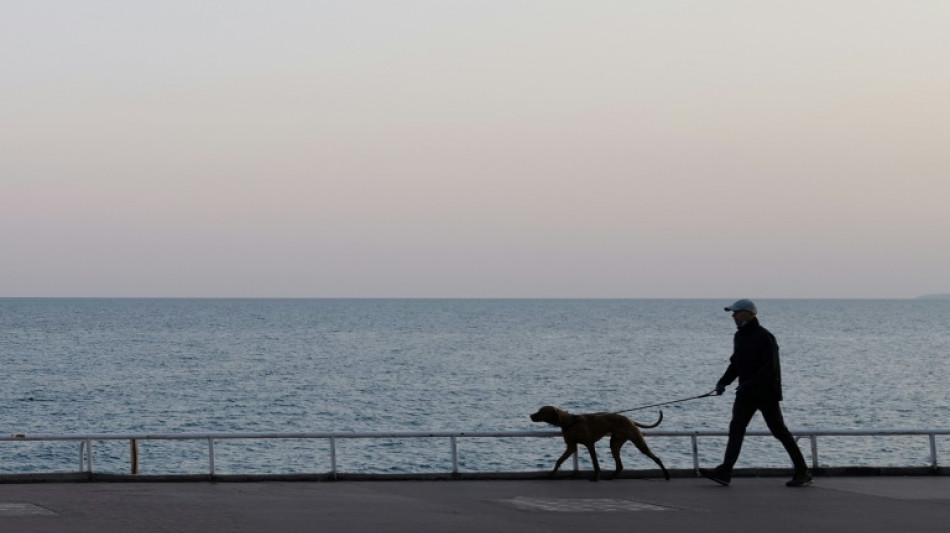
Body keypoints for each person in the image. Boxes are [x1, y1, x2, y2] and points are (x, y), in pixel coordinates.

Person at [700, 299, 812, 487]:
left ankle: (803, 472)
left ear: (748, 314)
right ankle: (725, 471)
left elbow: (770, 368)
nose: (733, 316)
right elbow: (735, 364)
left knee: (779, 431)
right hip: (746, 393)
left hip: (765, 393)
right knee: (736, 428)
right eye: (733, 313)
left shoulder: (765, 337)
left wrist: (748, 384)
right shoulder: (739, 337)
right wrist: (722, 382)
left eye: (736, 312)